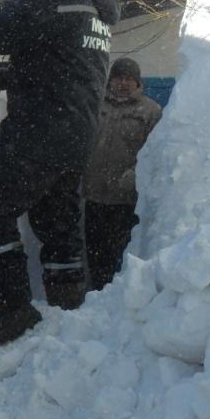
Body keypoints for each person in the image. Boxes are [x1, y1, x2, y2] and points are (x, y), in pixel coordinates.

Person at [0, 0, 119, 347]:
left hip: (41, 129)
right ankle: (67, 308)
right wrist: (17, 76)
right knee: (57, 222)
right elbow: (61, 62)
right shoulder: (94, 7)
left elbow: (0, 36)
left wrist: (13, 6)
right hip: (79, 131)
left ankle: (15, 307)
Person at [83, 58, 162, 291]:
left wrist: (135, 174)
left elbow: (156, 152)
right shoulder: (96, 105)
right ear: (110, 80)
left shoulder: (150, 111)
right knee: (94, 253)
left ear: (138, 83)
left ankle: (118, 298)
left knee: (121, 254)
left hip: (125, 200)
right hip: (94, 195)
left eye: (129, 79)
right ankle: (96, 295)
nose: (123, 83)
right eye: (119, 77)